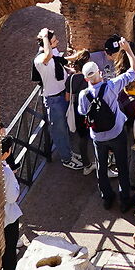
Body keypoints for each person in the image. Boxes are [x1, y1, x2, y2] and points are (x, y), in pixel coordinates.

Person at [75, 55, 135, 212]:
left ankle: (107, 197)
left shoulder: (83, 95)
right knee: (122, 166)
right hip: (116, 133)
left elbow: (82, 111)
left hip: (98, 137)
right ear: (99, 72)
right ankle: (124, 199)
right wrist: (127, 50)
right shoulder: (111, 86)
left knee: (101, 167)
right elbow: (134, 70)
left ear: (86, 79)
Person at [32, 28, 81, 171]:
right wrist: (45, 36)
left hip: (63, 95)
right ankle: (66, 158)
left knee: (65, 126)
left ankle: (69, 153)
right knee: (59, 130)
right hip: (54, 100)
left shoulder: (54, 53)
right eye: (54, 41)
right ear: (46, 43)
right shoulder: (40, 59)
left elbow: (62, 62)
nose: (57, 42)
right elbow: (48, 55)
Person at [0, 137, 23, 270]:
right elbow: (11, 197)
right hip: (7, 215)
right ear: (7, 152)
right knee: (10, 245)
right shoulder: (6, 172)